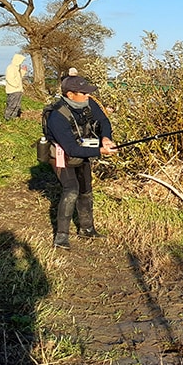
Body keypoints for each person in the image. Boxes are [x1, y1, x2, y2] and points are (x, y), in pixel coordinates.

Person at [44, 75, 117, 248]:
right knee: (71, 190)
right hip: (62, 156)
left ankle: (87, 229)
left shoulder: (88, 103)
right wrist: (100, 151)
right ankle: (61, 237)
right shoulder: (57, 116)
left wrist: (105, 137)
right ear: (70, 94)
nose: (87, 96)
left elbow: (104, 120)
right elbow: (71, 149)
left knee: (86, 189)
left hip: (82, 150)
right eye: (83, 93)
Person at [3, 53, 28, 120]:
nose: (21, 62)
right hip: (13, 90)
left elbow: (19, 77)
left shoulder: (17, 68)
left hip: (18, 90)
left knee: (17, 106)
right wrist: (16, 85)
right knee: (12, 105)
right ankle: (7, 118)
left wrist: (23, 71)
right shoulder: (11, 67)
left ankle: (13, 118)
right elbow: (9, 78)